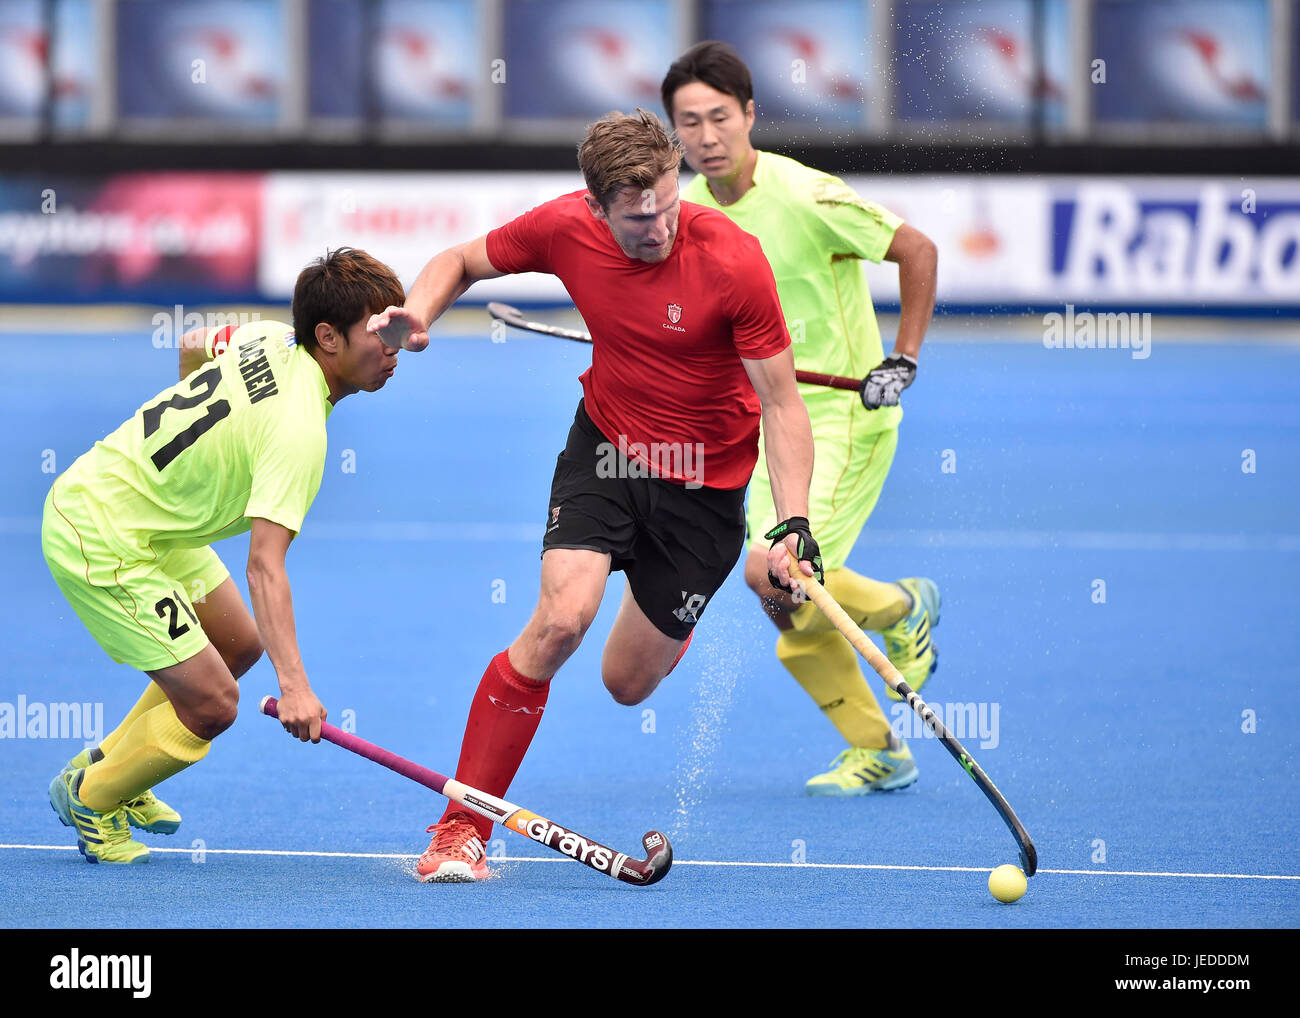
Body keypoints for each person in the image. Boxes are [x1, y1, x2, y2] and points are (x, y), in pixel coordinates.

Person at [370, 109, 819, 883]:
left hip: (705, 489)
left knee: (625, 683)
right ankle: (460, 830)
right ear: (597, 206)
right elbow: (461, 259)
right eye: (638, 217)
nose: (660, 227)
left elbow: (781, 404)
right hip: (607, 451)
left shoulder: (734, 264)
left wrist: (795, 521)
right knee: (558, 623)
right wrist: (419, 312)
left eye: (670, 204)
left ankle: (697, 591)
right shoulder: (562, 228)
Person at [42, 247, 407, 864]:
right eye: (379, 333)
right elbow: (265, 565)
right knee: (213, 704)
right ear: (327, 336)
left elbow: (192, 341)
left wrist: (199, 449)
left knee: (239, 645)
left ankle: (110, 766)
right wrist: (295, 688)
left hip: (155, 523)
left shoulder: (269, 337)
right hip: (99, 534)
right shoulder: (300, 432)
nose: (394, 347)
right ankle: (93, 797)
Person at [662, 41, 941, 796]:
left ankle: (902, 608)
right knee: (787, 606)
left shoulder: (804, 195)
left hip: (846, 414)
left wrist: (903, 359)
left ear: (749, 114)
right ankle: (880, 747)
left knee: (771, 568)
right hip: (768, 423)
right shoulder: (685, 219)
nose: (707, 135)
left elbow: (915, 249)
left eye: (720, 116)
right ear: (674, 133)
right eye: (689, 123)